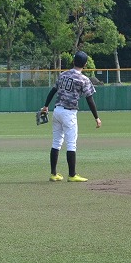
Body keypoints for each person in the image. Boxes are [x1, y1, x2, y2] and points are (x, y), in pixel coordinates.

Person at [39, 50, 101, 182]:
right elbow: (90, 100)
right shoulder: (83, 79)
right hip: (69, 113)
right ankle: (72, 175)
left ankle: (53, 174)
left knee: (56, 142)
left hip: (57, 111)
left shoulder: (63, 74)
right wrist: (96, 117)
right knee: (71, 144)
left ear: (73, 61)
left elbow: (53, 91)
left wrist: (45, 106)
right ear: (85, 64)